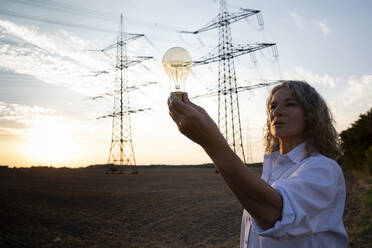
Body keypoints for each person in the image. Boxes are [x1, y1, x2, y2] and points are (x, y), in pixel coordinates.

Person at [167, 80, 348, 248]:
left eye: (290, 104)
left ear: (311, 114)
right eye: (273, 106)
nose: (277, 112)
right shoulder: (272, 171)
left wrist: (210, 141)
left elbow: (273, 213)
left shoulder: (324, 168)